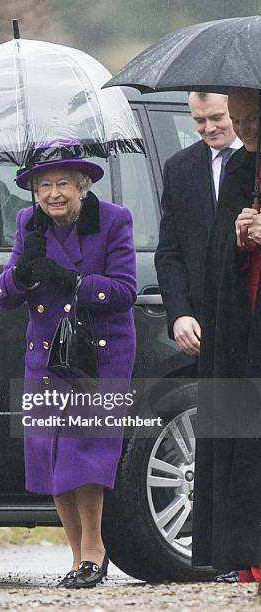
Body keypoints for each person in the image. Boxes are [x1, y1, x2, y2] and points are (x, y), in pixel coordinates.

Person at [0, 153, 136, 588]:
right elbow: (5, 295)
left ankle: (95, 548)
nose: (53, 194)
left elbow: (126, 290)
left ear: (82, 186)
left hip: (96, 354)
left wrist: (71, 280)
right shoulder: (28, 222)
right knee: (50, 454)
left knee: (84, 450)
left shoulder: (113, 219)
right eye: (43, 187)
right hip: (45, 354)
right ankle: (77, 558)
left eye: (62, 185)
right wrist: (22, 272)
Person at [192, 87, 261, 581]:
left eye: (252, 117)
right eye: (240, 118)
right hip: (245, 320)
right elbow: (221, 255)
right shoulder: (241, 169)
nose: (244, 129)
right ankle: (244, 550)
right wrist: (241, 237)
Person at [155, 92, 242, 355]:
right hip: (207, 329)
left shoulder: (254, 158)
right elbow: (169, 251)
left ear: (235, 110)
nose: (209, 128)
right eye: (199, 120)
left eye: (217, 117)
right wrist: (179, 313)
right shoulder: (178, 168)